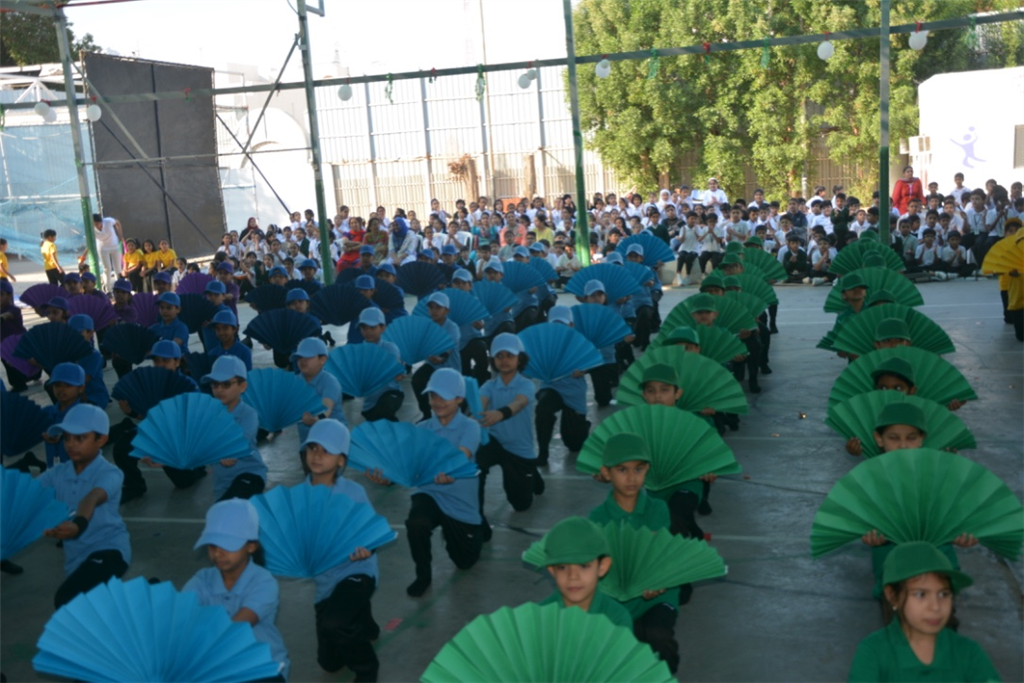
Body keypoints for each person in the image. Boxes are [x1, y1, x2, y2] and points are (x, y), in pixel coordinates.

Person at [588, 433, 680, 672]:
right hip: (615, 599)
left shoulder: (657, 509)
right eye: (622, 470)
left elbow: (657, 553)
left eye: (638, 469)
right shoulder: (597, 518)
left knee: (658, 635)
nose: (632, 478)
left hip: (657, 595)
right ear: (606, 473)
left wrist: (656, 582)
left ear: (647, 469)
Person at [848, 542, 999, 683]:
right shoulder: (873, 653)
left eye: (943, 594)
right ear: (892, 596)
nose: (935, 606)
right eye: (921, 594)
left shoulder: (968, 653)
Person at [299, 420, 381, 682]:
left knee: (335, 623)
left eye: (327, 450)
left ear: (341, 460)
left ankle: (367, 668)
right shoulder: (298, 497)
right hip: (326, 581)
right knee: (330, 663)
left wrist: (366, 549)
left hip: (357, 571)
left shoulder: (353, 492)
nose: (317, 455)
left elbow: (372, 532)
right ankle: (362, 616)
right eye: (313, 448)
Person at [184, 499, 289, 682]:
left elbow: (237, 627)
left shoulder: (264, 582)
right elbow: (180, 614)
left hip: (262, 667)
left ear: (251, 546)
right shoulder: (202, 580)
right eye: (212, 545)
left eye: (227, 545)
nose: (218, 553)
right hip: (219, 667)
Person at [38, 404, 131, 608]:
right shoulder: (58, 473)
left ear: (101, 440)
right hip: (76, 559)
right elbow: (28, 492)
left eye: (80, 438)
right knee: (96, 608)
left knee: (67, 600)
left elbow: (92, 497)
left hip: (109, 550)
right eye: (67, 438)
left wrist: (78, 524)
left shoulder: (110, 473)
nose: (71, 444)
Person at [113, 341, 206, 503]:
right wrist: (132, 412)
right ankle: (134, 486)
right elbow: (147, 415)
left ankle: (197, 467)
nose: (160, 365)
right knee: (121, 448)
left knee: (183, 482)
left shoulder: (188, 386)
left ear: (177, 362)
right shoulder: (150, 383)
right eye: (157, 361)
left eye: (166, 360)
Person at [478, 333, 543, 535]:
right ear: (493, 360)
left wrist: (500, 413)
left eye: (509, 355)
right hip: (494, 442)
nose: (504, 360)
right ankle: (476, 515)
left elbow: (519, 403)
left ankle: (533, 474)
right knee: (475, 466)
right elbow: (480, 405)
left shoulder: (526, 384)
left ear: (520, 359)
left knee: (521, 504)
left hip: (518, 449)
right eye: (499, 356)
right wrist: (473, 417)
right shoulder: (488, 386)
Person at [533, 516, 633, 629]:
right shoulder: (537, 618)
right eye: (562, 567)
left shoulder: (617, 619)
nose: (573, 576)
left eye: (584, 566)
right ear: (552, 571)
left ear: (602, 567)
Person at [200, 355, 269, 501]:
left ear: (242, 386)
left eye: (226, 384)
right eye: (215, 384)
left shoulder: (248, 414)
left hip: (250, 474)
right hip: (222, 483)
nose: (219, 390)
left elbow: (242, 439)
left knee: (233, 506)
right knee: (223, 511)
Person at [534, 307, 591, 466]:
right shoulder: (543, 342)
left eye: (563, 324)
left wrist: (584, 370)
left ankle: (582, 425)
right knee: (543, 409)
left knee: (575, 445)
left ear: (571, 325)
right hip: (552, 388)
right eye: (555, 324)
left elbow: (592, 362)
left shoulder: (580, 342)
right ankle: (543, 452)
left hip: (574, 392)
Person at [411, 292, 460, 421]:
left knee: (448, 397)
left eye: (438, 307)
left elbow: (448, 348)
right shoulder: (427, 327)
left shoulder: (452, 327)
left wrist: (441, 358)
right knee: (417, 380)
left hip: (450, 368)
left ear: (447, 310)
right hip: (433, 365)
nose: (434, 311)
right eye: (431, 307)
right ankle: (426, 414)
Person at [353, 308, 406, 422]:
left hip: (391, 393)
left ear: (382, 328)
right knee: (375, 423)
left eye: (372, 327)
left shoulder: (390, 348)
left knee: (385, 413)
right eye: (364, 328)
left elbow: (395, 368)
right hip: (370, 402)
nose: (368, 331)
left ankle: (395, 430)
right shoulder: (359, 351)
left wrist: (399, 372)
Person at [291, 337, 343, 446]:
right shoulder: (294, 382)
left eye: (308, 357)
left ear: (322, 359)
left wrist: (315, 418)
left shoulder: (330, 383)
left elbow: (326, 409)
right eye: (299, 357)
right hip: (308, 442)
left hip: (333, 442)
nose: (303, 361)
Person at [90, 214, 125, 291]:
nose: (97, 226)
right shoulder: (91, 228)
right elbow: (90, 242)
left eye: (98, 223)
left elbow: (117, 222)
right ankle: (108, 288)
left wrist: (120, 235)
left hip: (114, 245)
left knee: (118, 267)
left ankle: (119, 286)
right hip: (102, 248)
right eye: (95, 224)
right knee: (107, 268)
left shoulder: (108, 221)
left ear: (101, 221)